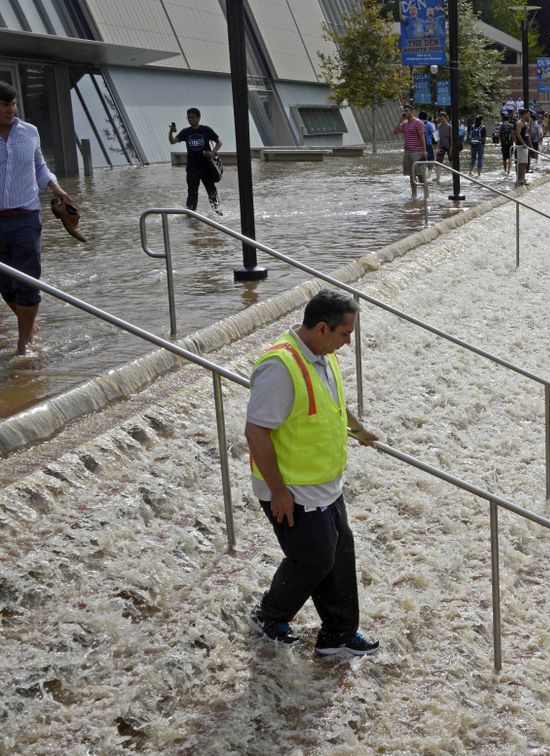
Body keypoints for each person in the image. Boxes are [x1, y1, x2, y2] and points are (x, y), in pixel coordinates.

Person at [245, 289, 380, 656]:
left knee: (338, 554)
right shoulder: (279, 367)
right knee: (314, 558)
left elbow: (332, 404)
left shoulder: (322, 354)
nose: (348, 342)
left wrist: (359, 428)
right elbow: (255, 433)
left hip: (325, 483)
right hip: (294, 490)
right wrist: (279, 493)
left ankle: (337, 635)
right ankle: (268, 615)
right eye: (345, 334)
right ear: (323, 327)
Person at [0, 81, 73, 356]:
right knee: (5, 284)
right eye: (5, 105)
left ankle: (24, 343)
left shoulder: (29, 132)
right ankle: (29, 324)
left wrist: (56, 187)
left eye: (13, 104)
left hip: (25, 218)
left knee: (28, 280)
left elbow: (40, 166)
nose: (11, 110)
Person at [168, 107, 223, 215]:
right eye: (188, 117)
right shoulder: (186, 132)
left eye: (192, 117)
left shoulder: (206, 130)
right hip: (192, 168)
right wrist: (171, 132)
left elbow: (219, 142)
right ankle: (191, 215)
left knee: (211, 190)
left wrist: (213, 152)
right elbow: (172, 141)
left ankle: (217, 212)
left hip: (207, 167)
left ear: (198, 118)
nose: (190, 119)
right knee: (192, 192)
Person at [393, 106, 427, 198]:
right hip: (407, 152)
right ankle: (414, 195)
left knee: (419, 174)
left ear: (412, 111)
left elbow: (422, 137)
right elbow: (395, 132)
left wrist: (424, 151)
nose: (404, 112)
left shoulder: (418, 122)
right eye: (403, 111)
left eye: (406, 111)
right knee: (411, 175)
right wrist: (400, 121)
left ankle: (426, 193)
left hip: (417, 152)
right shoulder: (404, 123)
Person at [514, 109, 531, 187]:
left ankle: (523, 179)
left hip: (525, 146)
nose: (529, 116)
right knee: (521, 163)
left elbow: (527, 135)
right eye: (528, 115)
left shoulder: (526, 123)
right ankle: (520, 179)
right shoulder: (520, 123)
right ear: (524, 114)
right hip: (521, 146)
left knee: (524, 163)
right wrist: (523, 143)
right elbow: (518, 134)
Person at [434, 111, 452, 182]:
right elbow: (438, 138)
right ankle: (438, 177)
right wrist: (437, 148)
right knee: (438, 161)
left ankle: (454, 176)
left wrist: (451, 149)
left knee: (451, 162)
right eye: (440, 119)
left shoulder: (450, 127)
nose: (442, 120)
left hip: (449, 146)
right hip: (441, 146)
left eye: (443, 119)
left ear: (446, 118)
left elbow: (452, 139)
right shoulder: (438, 126)